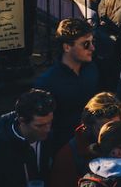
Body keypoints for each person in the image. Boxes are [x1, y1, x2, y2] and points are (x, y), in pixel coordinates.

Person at [34, 19, 101, 150]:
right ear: (67, 47)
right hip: (65, 148)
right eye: (86, 44)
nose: (92, 48)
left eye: (93, 42)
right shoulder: (47, 82)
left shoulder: (93, 69)